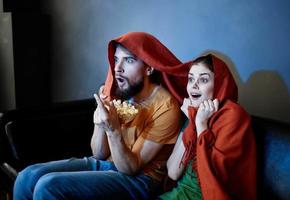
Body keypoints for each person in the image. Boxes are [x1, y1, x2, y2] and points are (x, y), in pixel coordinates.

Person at [13, 32, 189, 200]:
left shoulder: (166, 107)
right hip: (106, 164)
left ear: (149, 67)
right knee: (27, 176)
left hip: (140, 180)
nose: (118, 68)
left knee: (48, 185)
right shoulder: (119, 91)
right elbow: (98, 154)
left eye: (128, 60)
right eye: (115, 60)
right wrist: (100, 124)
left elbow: (130, 168)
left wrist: (113, 130)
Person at [158, 54, 257, 200]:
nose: (194, 85)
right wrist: (192, 122)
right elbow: (173, 172)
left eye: (203, 80)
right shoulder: (192, 114)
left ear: (218, 84)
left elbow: (213, 181)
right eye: (191, 79)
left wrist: (201, 126)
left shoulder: (234, 116)